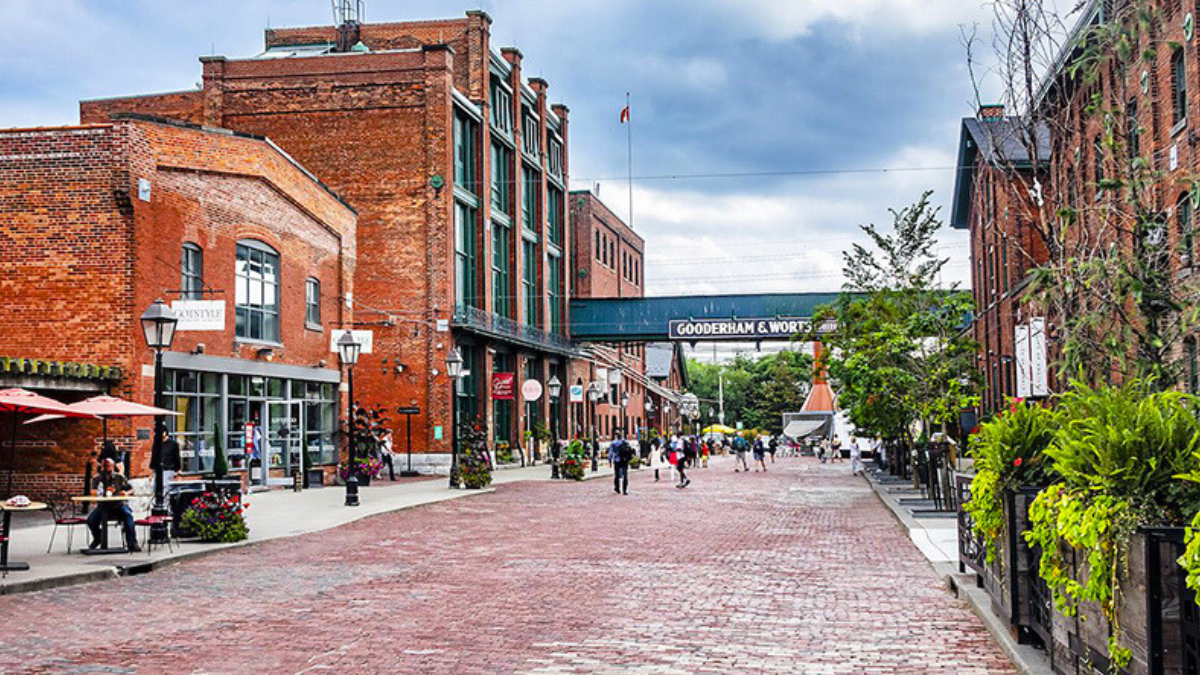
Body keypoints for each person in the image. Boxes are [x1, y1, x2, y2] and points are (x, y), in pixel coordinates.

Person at [86, 458, 139, 552]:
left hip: (118, 506)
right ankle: (98, 538)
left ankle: (132, 543)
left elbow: (131, 489)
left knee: (128, 516)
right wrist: (98, 492)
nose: (107, 468)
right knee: (91, 520)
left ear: (113, 467)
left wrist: (126, 493)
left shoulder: (119, 478)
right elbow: (93, 491)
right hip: (102, 506)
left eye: (109, 466)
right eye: (105, 466)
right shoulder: (97, 478)